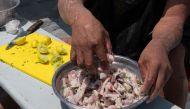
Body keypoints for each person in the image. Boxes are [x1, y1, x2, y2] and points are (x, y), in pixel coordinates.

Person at [58, 0, 190, 108]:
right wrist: (78, 17)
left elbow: (173, 16)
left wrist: (160, 43)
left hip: (150, 35)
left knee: (175, 55)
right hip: (98, 30)